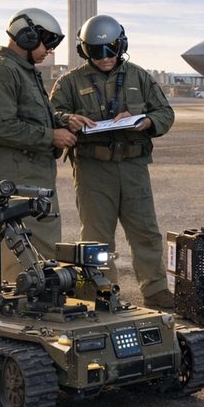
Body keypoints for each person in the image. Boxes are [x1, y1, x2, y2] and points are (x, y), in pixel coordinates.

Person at [49, 15, 176, 308]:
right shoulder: (69, 82)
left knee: (145, 231)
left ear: (122, 46)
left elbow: (164, 113)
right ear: (85, 51)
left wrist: (145, 121)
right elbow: (51, 114)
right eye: (96, 52)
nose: (105, 58)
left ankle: (155, 289)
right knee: (96, 237)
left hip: (133, 166)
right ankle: (103, 292)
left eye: (111, 50)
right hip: (93, 169)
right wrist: (68, 119)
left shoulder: (140, 77)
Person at [0, 8, 73, 282]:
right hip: (15, 173)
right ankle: (17, 310)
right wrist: (50, 137)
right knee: (18, 245)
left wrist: (64, 120)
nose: (49, 51)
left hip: (33, 171)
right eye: (47, 43)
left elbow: (34, 116)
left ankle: (40, 306)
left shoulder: (24, 71)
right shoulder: (0, 71)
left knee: (44, 244)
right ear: (27, 37)